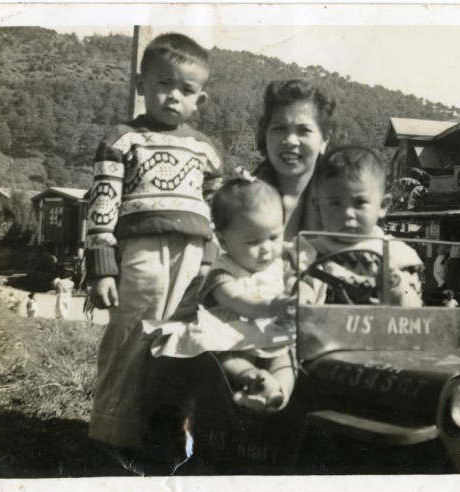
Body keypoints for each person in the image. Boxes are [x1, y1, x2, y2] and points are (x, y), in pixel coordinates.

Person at [84, 33, 221, 452]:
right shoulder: (122, 139)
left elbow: (216, 210)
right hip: (141, 251)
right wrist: (102, 268)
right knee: (131, 335)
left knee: (179, 338)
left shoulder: (206, 150)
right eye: (164, 84)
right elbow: (102, 205)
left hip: (193, 253)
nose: (173, 97)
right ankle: (113, 434)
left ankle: (164, 433)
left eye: (186, 89)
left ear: (200, 97)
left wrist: (211, 261)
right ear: (141, 85)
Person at [200, 177, 299, 412]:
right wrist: (271, 307)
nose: (267, 248)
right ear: (223, 241)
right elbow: (235, 300)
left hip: (272, 337)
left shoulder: (281, 264)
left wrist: (295, 292)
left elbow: (295, 282)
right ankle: (252, 379)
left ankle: (277, 394)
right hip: (233, 338)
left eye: (274, 237)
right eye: (253, 241)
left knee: (287, 361)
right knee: (227, 359)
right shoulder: (223, 269)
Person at [305, 146, 424, 307]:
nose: (347, 213)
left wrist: (396, 284)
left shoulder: (397, 253)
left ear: (382, 206)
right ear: (318, 207)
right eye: (335, 203)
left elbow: (414, 312)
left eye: (360, 203)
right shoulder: (309, 251)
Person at [252, 79, 335, 240]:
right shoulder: (238, 197)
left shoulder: (340, 199)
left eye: (304, 130)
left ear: (325, 139)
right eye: (279, 129)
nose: (290, 140)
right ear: (265, 133)